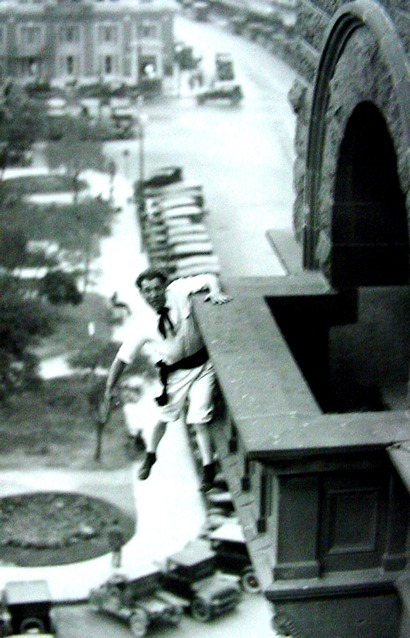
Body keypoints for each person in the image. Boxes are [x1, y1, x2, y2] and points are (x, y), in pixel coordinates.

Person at [99, 267, 232, 492]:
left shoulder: (179, 291)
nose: (153, 295)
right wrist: (109, 385)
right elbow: (123, 358)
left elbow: (209, 278)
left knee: (199, 418)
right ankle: (151, 456)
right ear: (141, 293)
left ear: (165, 286)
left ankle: (209, 469)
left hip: (202, 366)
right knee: (164, 417)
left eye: (157, 288)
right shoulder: (141, 323)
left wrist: (216, 291)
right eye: (147, 291)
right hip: (175, 374)